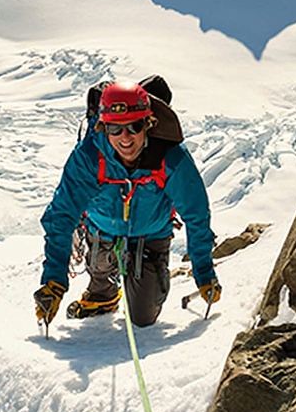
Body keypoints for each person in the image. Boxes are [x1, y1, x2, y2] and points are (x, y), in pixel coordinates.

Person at [34, 80, 220, 329]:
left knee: (142, 318)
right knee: (101, 261)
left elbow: (196, 213)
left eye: (134, 126)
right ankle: (103, 293)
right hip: (102, 228)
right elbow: (61, 215)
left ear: (148, 124)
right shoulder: (89, 156)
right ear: (103, 127)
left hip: (151, 232)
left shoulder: (170, 157)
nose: (125, 138)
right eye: (115, 129)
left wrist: (205, 273)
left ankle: (135, 275)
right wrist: (53, 281)